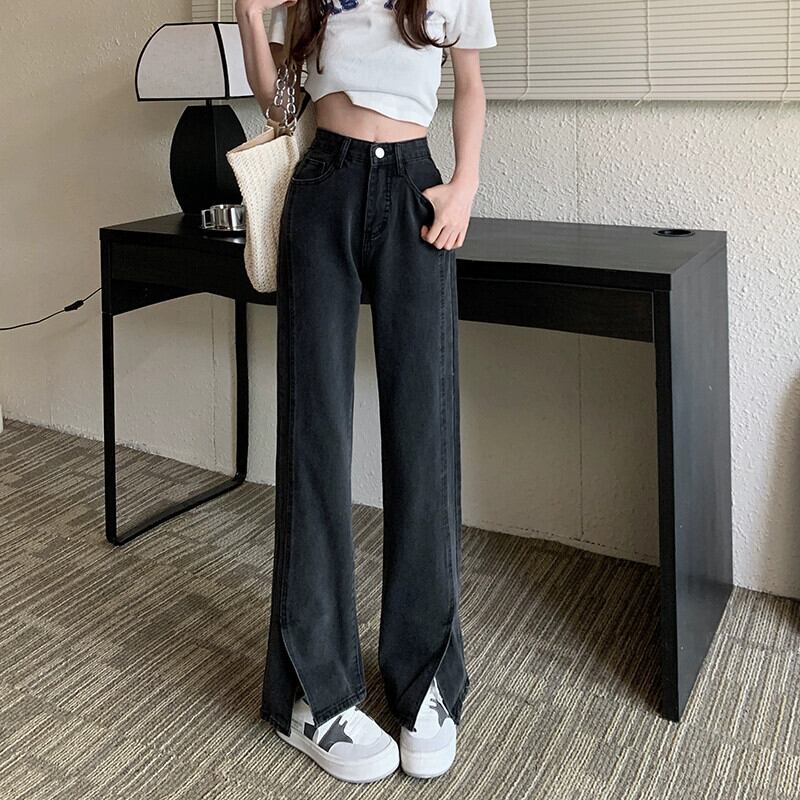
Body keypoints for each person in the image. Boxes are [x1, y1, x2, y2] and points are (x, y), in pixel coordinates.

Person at [235, 0, 496, 783]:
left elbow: (471, 83)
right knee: (314, 433)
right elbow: (281, 103)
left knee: (424, 433)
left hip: (417, 189)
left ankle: (427, 676)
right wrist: (249, 16)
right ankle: (313, 691)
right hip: (325, 183)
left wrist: (464, 185)